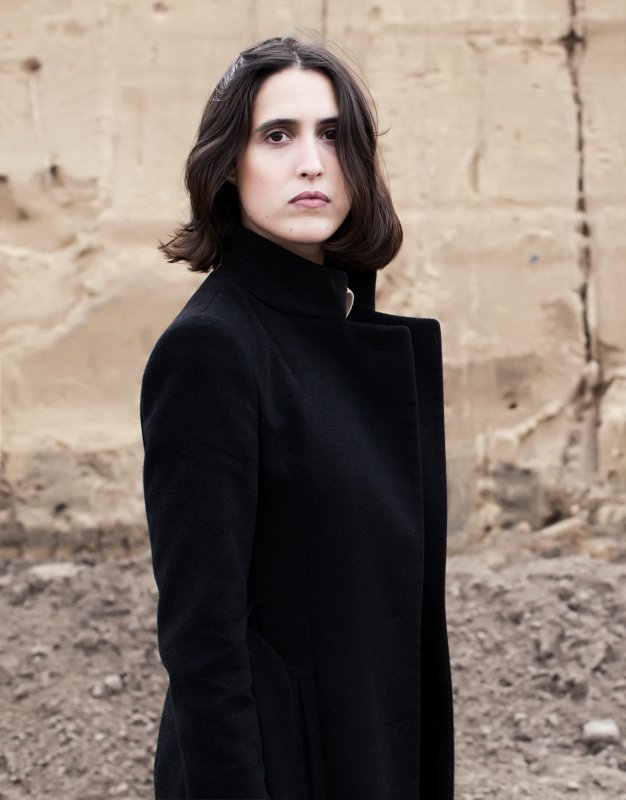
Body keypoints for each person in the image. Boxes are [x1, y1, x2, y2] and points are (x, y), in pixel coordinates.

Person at [140, 35, 453, 799]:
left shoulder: (341, 331)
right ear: (228, 164)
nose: (312, 163)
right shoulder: (212, 350)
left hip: (369, 751)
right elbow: (202, 642)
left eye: (334, 135)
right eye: (277, 135)